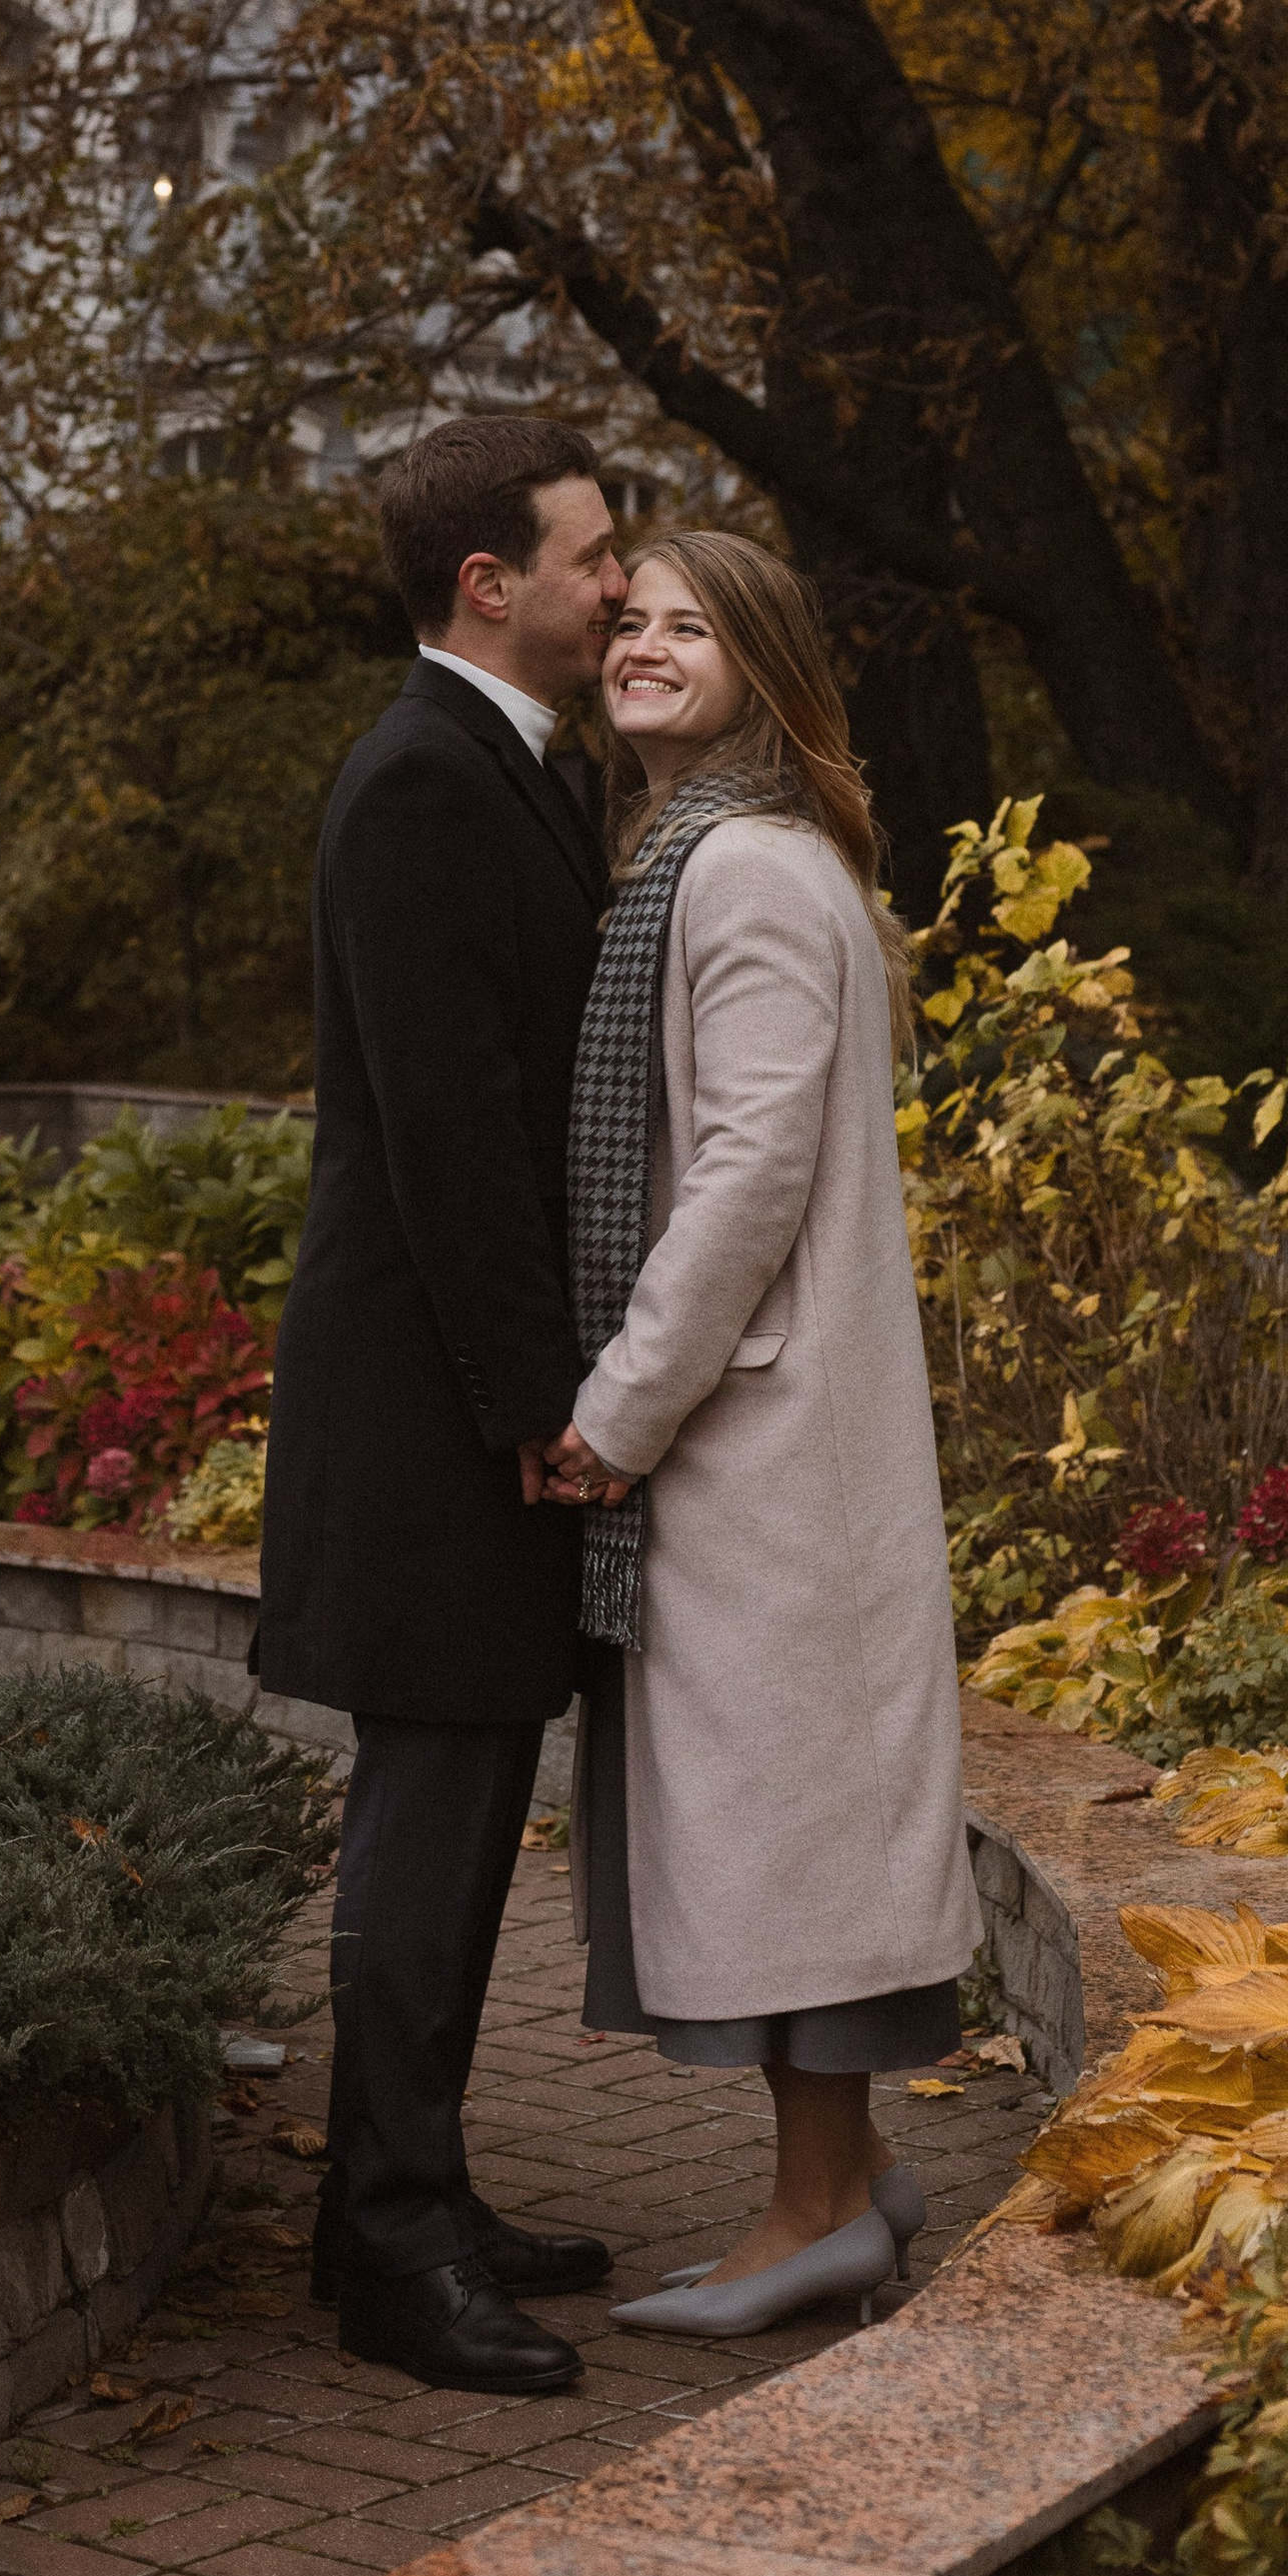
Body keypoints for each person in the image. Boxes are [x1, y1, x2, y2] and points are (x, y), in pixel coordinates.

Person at [540, 530, 982, 2339]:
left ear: (764, 665)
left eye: (692, 627)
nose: (646, 644)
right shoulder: (721, 854)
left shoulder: (739, 870)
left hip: (763, 1435)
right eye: (631, 620)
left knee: (794, 1832)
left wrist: (618, 1410)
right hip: (770, 1430)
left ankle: (811, 2218)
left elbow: (745, 1173)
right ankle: (853, 2180)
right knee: (792, 1819)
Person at [258, 414, 627, 2397]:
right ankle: (394, 2249)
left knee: (472, 1800)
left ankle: (403, 2198)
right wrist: (535, 1400)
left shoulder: (513, 765)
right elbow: (448, 1136)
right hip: (428, 1399)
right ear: (489, 583)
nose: (619, 585)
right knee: (430, 1807)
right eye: (591, 555)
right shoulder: (417, 780)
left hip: (460, 1388)